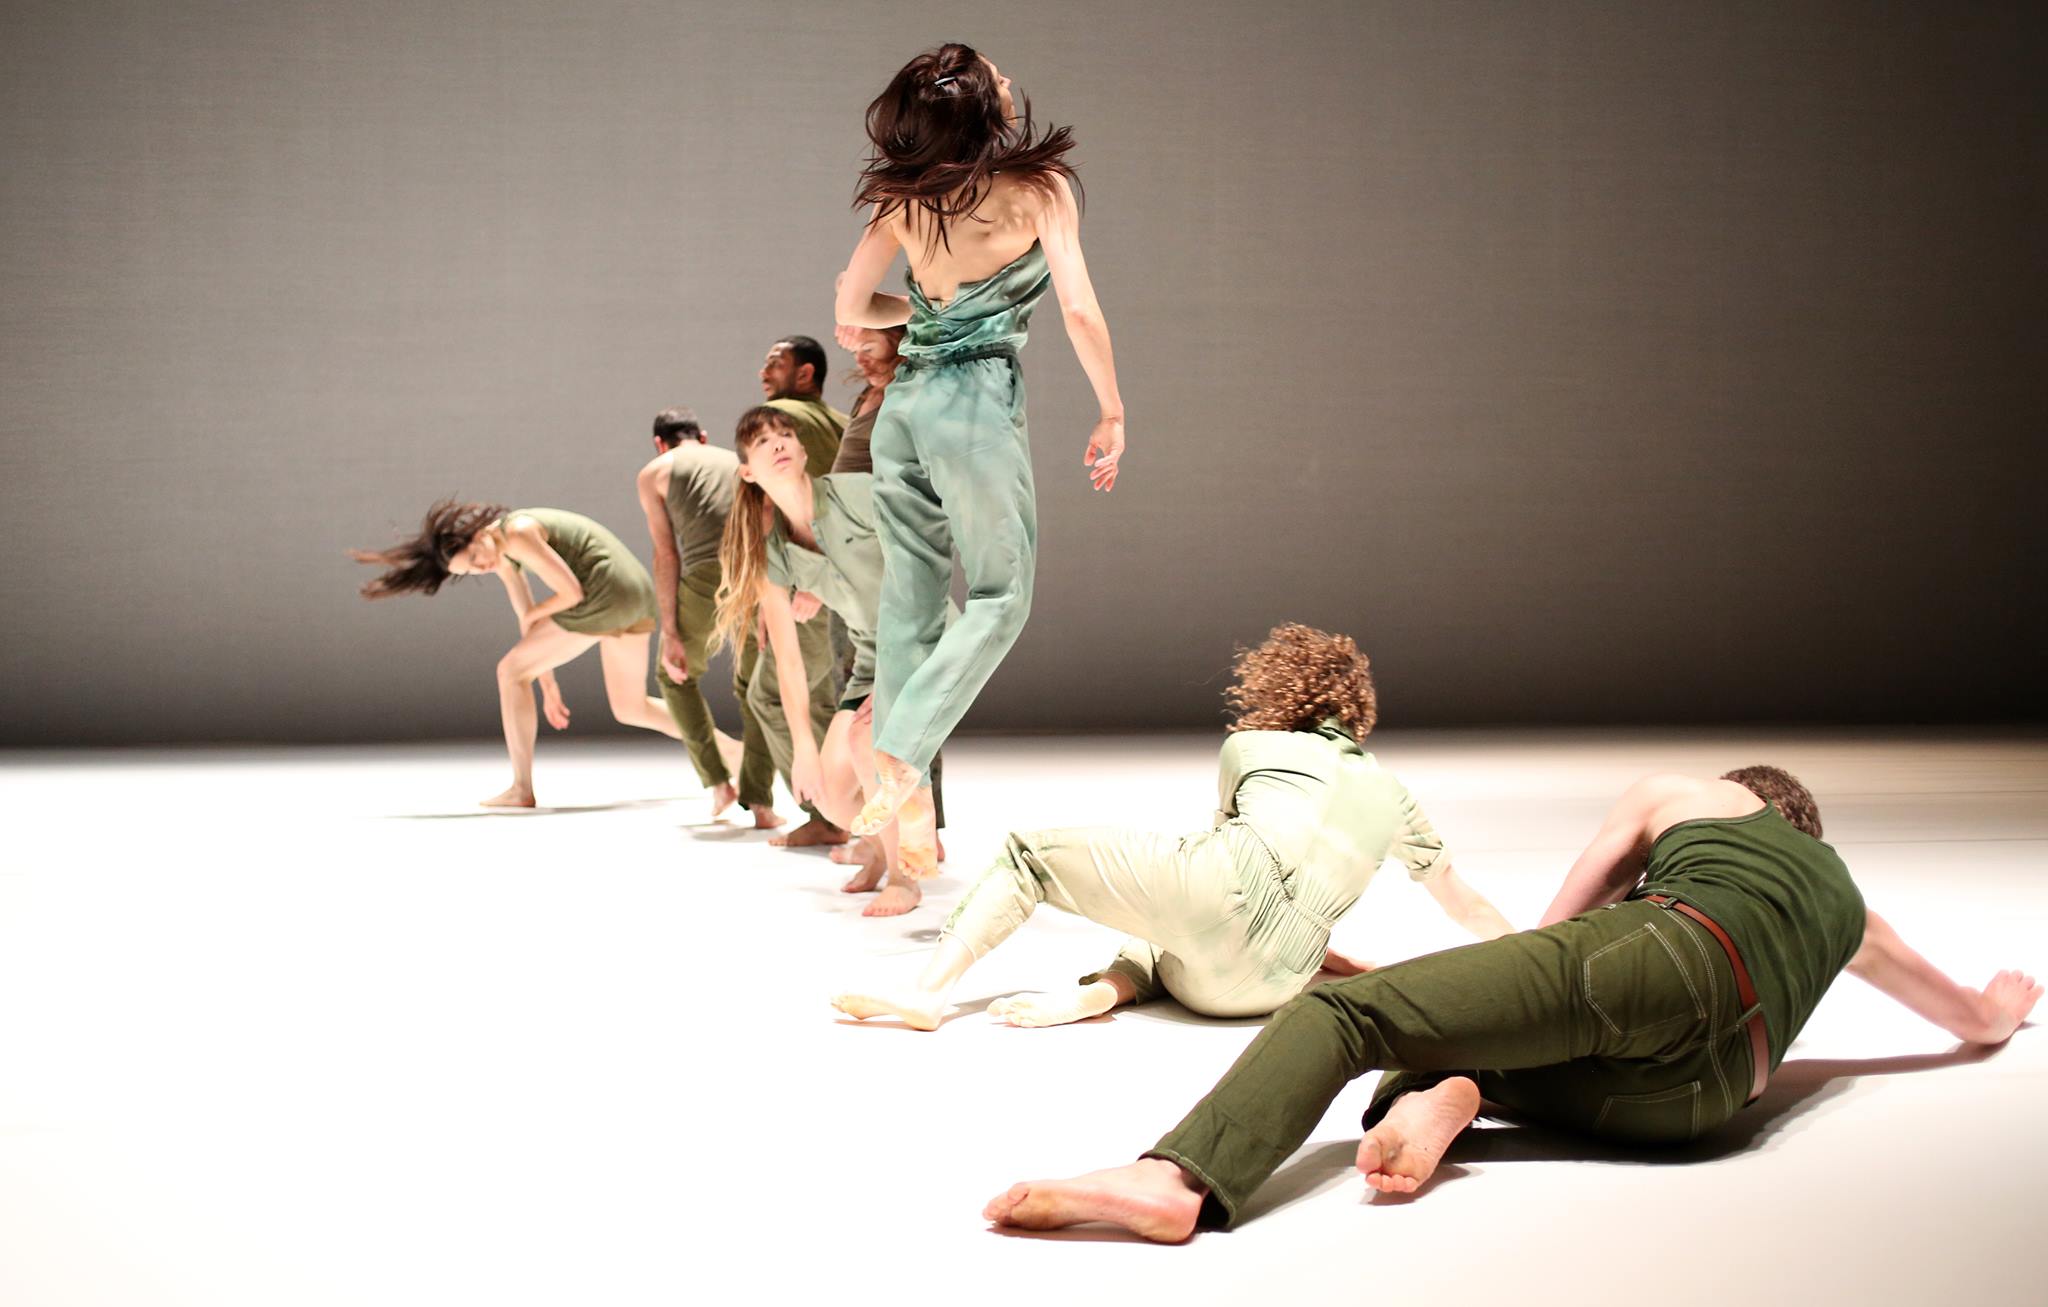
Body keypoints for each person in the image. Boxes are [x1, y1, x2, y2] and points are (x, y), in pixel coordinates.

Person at [981, 765, 2043, 1243]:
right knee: (1458, 1053)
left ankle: (1175, 1179)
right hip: (1704, 1103)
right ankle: (1447, 1093)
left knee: (1347, 1016)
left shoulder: (1693, 794)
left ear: (1755, 800)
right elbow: (1970, 1017)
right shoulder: (1850, 907)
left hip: (1668, 950)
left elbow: (1551, 933)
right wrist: (1999, 1006)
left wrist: (1417, 989)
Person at [831, 624, 1514, 1029]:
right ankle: (1102, 993)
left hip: (1208, 940)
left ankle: (930, 994)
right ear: (1355, 712)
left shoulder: (1251, 747)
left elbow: (1222, 878)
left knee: (1030, 857)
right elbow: (1466, 904)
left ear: (1282, 691)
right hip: (1272, 989)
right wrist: (1535, 961)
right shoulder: (1394, 796)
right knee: (1203, 922)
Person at [834, 43, 1129, 877]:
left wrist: (926, 312)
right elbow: (1080, 309)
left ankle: (904, 803)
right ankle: (901, 752)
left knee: (910, 605)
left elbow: (853, 307)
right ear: (981, 107)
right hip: (971, 407)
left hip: (904, 410)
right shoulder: (1040, 188)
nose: (1005, 75)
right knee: (1001, 595)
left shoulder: (902, 199)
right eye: (993, 74)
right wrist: (1112, 409)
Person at [713, 406, 947, 916]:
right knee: (831, 795)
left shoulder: (854, 494)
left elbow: (925, 548)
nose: (778, 443)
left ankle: (905, 878)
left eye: (785, 434)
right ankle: (877, 849)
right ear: (748, 472)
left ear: (802, 451)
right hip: (870, 659)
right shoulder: (775, 554)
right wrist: (802, 745)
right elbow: (789, 662)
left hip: (922, 640)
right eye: (763, 441)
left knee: (867, 745)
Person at [350, 501, 694, 808]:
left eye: (474, 558)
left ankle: (521, 788)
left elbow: (570, 594)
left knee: (510, 671)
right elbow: (528, 626)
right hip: (636, 597)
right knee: (631, 707)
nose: (481, 566)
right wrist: (548, 684)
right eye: (470, 571)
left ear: (477, 534)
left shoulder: (517, 533)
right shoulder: (503, 554)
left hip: (607, 594)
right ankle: (723, 750)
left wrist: (534, 617)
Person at [828, 325, 949, 876]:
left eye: (866, 340)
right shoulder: (871, 392)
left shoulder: (912, 387)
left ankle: (921, 836)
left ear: (897, 334)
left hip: (890, 557)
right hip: (858, 556)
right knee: (869, 686)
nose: (856, 350)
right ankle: (886, 836)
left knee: (908, 699)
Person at [637, 407, 776, 828]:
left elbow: (666, 554)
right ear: (702, 436)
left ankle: (718, 781)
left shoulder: (654, 472)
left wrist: (670, 630)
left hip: (704, 577)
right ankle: (762, 804)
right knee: (756, 688)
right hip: (753, 573)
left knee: (674, 676)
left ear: (659, 444)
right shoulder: (737, 461)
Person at [744, 333, 850, 850]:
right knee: (845, 700)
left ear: (804, 373)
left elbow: (770, 505)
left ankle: (829, 812)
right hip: (851, 581)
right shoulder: (844, 422)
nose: (764, 373)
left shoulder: (781, 418)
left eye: (775, 364)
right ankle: (882, 822)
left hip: (807, 581)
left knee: (773, 694)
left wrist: (781, 589)